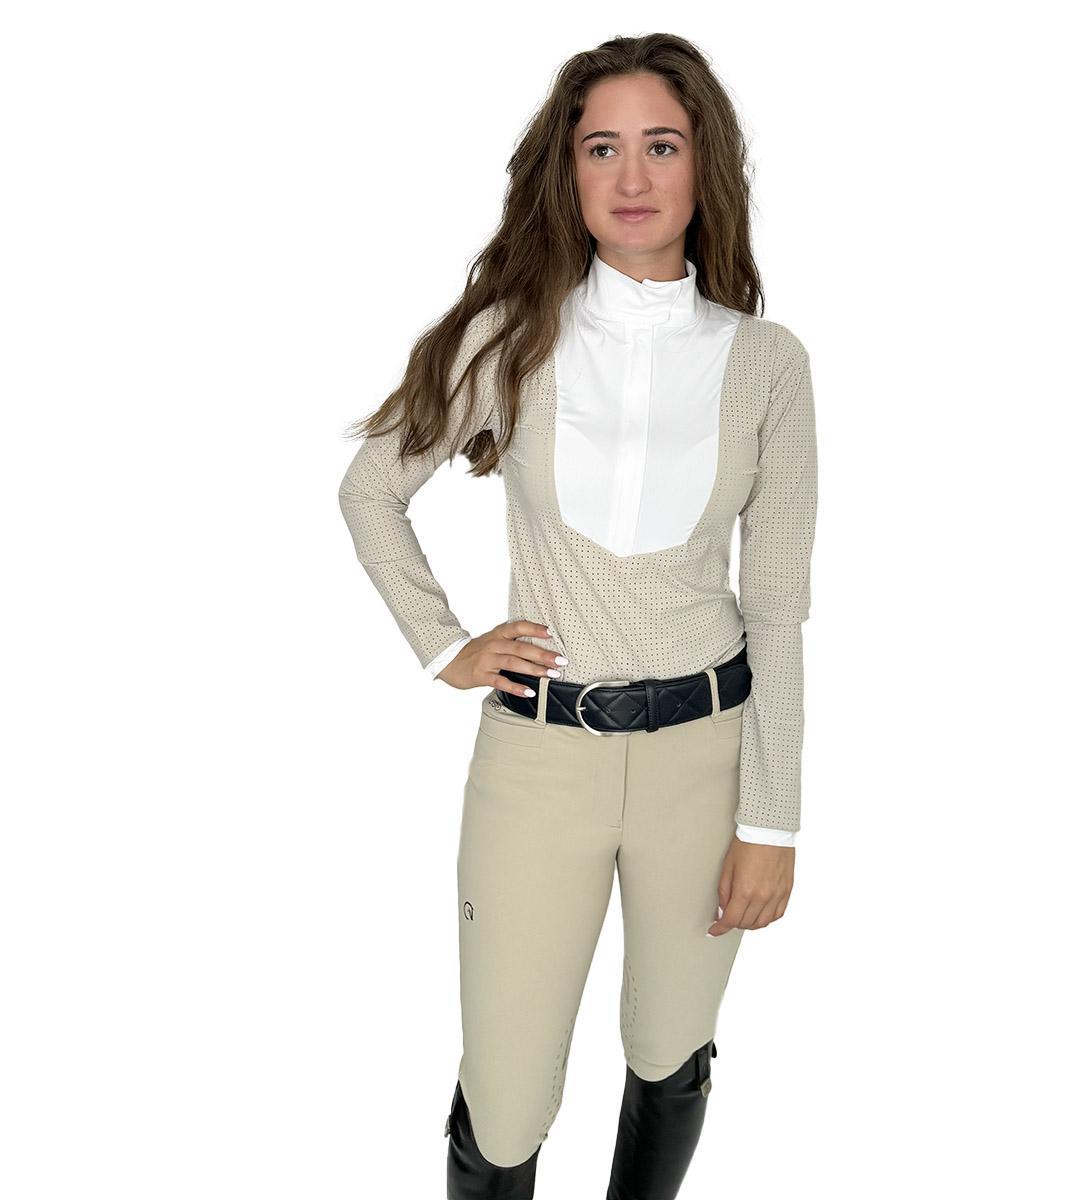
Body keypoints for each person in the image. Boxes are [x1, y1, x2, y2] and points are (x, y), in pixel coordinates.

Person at [337, 33, 817, 1200]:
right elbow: (372, 489)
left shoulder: (767, 362)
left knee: (671, 1047)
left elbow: (777, 608)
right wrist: (446, 645)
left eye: (663, 145)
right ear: (569, 170)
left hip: (706, 763)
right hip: (539, 761)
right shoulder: (513, 337)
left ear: (706, 167)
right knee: (506, 1096)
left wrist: (773, 821)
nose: (633, 176)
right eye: (603, 148)